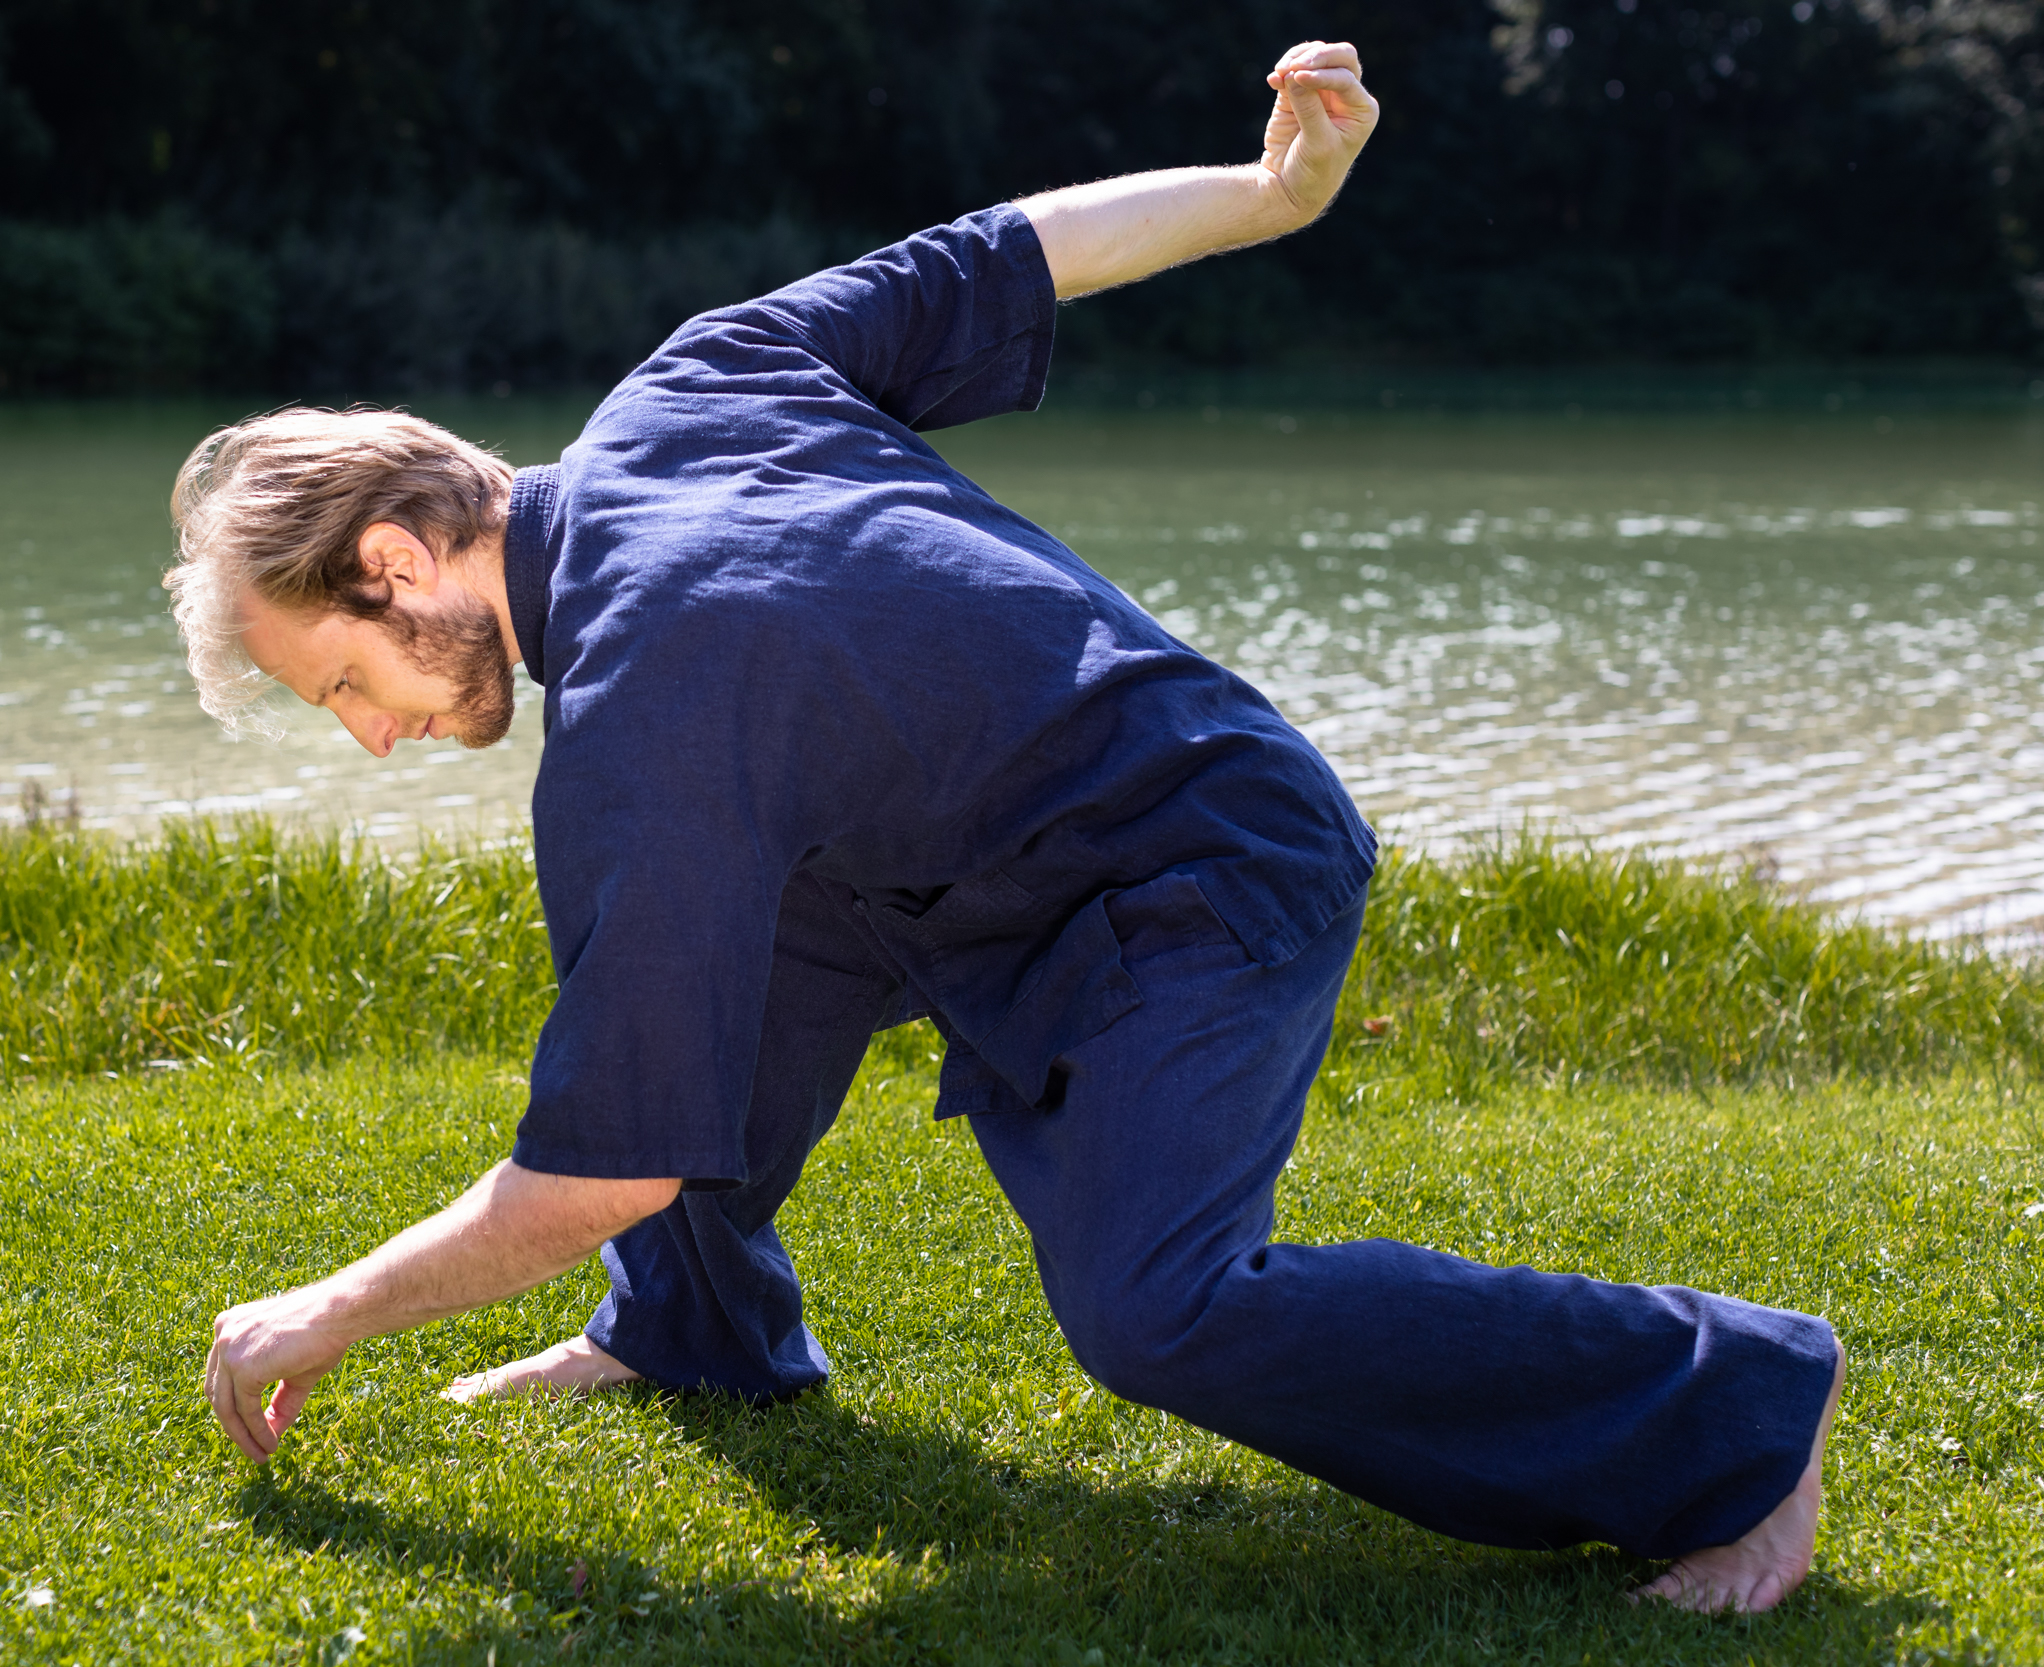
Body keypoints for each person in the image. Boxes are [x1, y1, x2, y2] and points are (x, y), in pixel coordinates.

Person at [169, 41, 1842, 1615]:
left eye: (340, 688)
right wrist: (1271, 195)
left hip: (1200, 859)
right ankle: (694, 1333)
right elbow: (1015, 245)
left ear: (396, 561)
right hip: (951, 854)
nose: (374, 739)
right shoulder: (686, 385)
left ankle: (1736, 1407)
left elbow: (603, 1165)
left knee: (1158, 1310)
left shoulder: (647, 709)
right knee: (667, 971)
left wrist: (334, 1306)